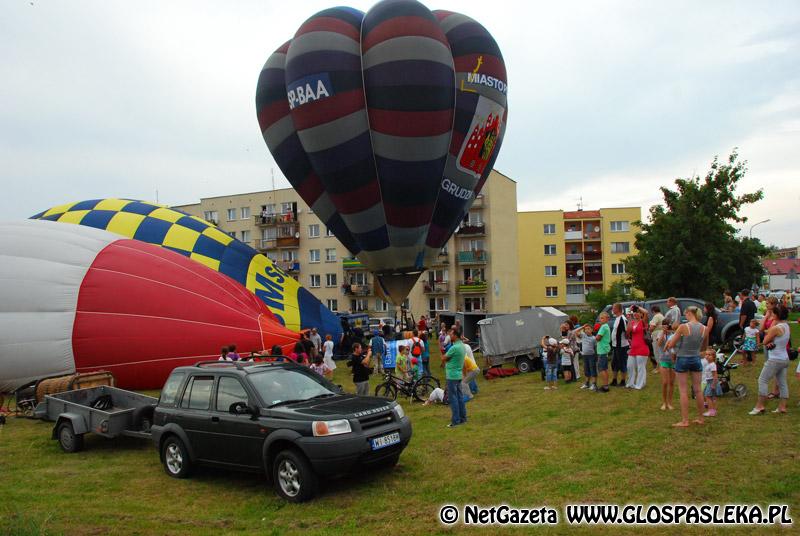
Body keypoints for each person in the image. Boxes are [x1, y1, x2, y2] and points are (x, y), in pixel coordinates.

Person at [665, 306, 706, 427]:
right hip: (696, 358)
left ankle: (685, 420)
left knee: (683, 390)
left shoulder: (683, 327)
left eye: (685, 314)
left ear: (688, 313)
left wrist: (669, 343)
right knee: (698, 390)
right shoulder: (704, 328)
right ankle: (700, 418)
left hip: (683, 358)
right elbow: (703, 347)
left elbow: (672, 344)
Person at [749, 305, 791, 415]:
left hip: (775, 359)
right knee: (782, 382)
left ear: (777, 315)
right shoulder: (786, 326)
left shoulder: (776, 328)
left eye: (772, 313)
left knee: (762, 380)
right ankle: (782, 407)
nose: (771, 315)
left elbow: (765, 340)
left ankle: (759, 406)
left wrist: (769, 335)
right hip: (784, 358)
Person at [442, 327, 467, 427]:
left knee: (453, 399)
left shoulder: (454, 347)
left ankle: (455, 421)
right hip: (458, 374)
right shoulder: (462, 346)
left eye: (451, 334)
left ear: (455, 336)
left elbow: (444, 358)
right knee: (460, 397)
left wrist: (445, 358)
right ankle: (463, 418)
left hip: (452, 376)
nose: (450, 336)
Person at [610, 303, 629, 387]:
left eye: (613, 308)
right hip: (615, 345)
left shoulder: (623, 319)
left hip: (622, 346)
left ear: (618, 309)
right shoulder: (617, 318)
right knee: (614, 363)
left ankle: (623, 381)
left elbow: (627, 331)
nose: (612, 310)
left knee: (622, 363)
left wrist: (625, 340)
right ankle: (614, 380)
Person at [595, 313, 611, 392]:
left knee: (601, 369)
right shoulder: (606, 326)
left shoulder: (603, 326)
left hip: (602, 350)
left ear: (607, 319)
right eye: (600, 318)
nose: (600, 320)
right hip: (605, 349)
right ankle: (606, 384)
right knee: (605, 369)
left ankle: (605, 386)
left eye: (602, 318)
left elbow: (598, 338)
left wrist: (595, 336)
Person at [702, 349, 721, 417]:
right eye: (706, 354)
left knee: (708, 396)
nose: (707, 356)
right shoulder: (709, 364)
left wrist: (713, 384)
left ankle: (711, 411)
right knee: (711, 397)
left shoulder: (712, 365)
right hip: (709, 382)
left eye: (709, 355)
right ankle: (713, 410)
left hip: (711, 382)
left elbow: (715, 375)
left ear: (713, 357)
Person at [579, 324, 597, 391]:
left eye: (589, 329)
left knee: (592, 369)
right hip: (585, 356)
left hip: (591, 356)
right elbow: (575, 332)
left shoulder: (594, 338)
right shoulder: (583, 335)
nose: (587, 330)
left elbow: (596, 347)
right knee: (586, 370)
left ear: (592, 330)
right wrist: (582, 327)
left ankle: (594, 384)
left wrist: (595, 356)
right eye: (586, 329)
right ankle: (587, 383)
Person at [649, 305, 665, 374]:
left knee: (657, 351)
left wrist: (649, 330)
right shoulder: (661, 316)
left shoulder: (656, 316)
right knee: (660, 350)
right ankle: (661, 367)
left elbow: (652, 327)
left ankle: (658, 368)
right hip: (661, 334)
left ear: (653, 311)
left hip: (656, 334)